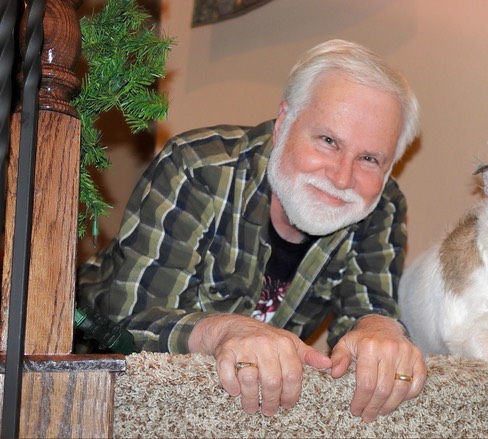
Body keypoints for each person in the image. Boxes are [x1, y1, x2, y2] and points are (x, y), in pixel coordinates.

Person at [78, 39, 425, 422]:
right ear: (283, 124)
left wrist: (380, 333)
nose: (342, 177)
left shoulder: (382, 206)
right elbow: (125, 325)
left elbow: (367, 310)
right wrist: (226, 331)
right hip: (77, 375)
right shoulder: (198, 167)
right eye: (328, 141)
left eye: (370, 158)